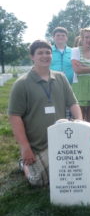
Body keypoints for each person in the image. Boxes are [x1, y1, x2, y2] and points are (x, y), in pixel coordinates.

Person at [8, 40, 82, 186]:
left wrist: (79, 121)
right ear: (32, 57)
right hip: (38, 144)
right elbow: (14, 116)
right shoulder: (22, 83)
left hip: (62, 141)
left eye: (48, 52)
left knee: (76, 172)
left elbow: (73, 103)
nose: (45, 56)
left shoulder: (60, 77)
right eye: (40, 53)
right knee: (38, 181)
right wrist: (25, 147)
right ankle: (25, 163)